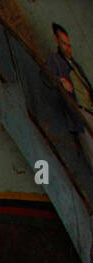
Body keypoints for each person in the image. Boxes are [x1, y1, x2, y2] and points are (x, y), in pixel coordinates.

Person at [46, 22, 93, 173]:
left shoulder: (75, 65)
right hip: (80, 113)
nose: (68, 48)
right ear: (57, 41)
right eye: (64, 44)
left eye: (69, 44)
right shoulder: (55, 60)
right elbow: (47, 77)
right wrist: (60, 81)